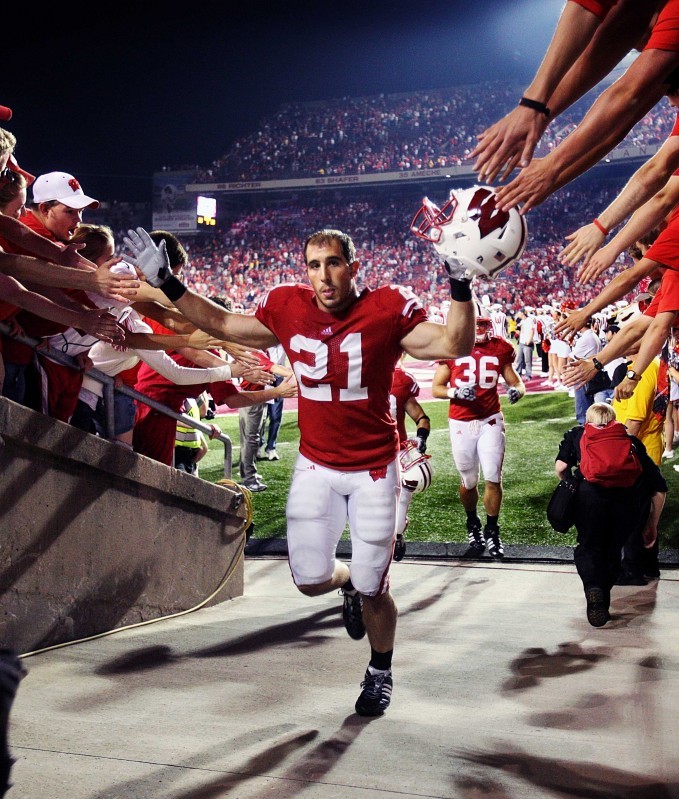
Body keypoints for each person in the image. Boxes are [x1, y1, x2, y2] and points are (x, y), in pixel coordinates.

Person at [124, 225, 476, 717]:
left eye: (333, 263)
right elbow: (224, 323)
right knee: (310, 579)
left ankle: (380, 670)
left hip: (374, 469)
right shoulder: (289, 305)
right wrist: (169, 284)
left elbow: (454, 344)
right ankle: (349, 580)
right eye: (313, 265)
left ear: (353, 267)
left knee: (378, 587)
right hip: (316, 465)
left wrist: (461, 284)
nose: (323, 276)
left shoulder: (389, 306)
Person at [487, 2, 679, 214]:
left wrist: (551, 163)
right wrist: (537, 114)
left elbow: (627, 94)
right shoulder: (644, 22)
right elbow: (617, 128)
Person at [554, 402, 667, 627]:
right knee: (613, 552)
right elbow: (659, 487)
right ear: (615, 420)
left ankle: (593, 589)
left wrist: (569, 485)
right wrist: (651, 524)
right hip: (626, 502)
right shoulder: (631, 442)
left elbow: (560, 468)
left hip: (590, 498)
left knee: (588, 547)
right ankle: (602, 602)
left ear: (588, 420)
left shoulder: (577, 434)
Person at [431, 311, 525, 559]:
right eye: (477, 324)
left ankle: (493, 530)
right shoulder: (452, 346)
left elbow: (515, 381)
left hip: (490, 420)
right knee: (469, 480)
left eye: (484, 324)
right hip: (461, 422)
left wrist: (517, 391)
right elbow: (437, 388)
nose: (481, 329)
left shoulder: (501, 348)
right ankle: (473, 523)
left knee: (494, 476)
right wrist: (456, 393)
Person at [390, 354, 431, 562]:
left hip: (395, 450)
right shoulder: (356, 377)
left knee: (405, 490)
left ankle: (397, 536)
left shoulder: (401, 380)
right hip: (367, 451)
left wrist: (422, 438)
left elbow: (421, 417)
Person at [238, 343, 293, 492]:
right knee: (251, 438)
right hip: (254, 399)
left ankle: (246, 472)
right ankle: (249, 478)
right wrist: (293, 374)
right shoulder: (257, 352)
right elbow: (275, 368)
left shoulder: (253, 350)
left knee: (247, 438)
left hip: (249, 396)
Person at [257, 342, 289, 461]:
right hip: (265, 375)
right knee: (262, 416)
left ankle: (271, 448)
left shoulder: (284, 340)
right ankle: (259, 445)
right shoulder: (265, 340)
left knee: (276, 416)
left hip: (279, 378)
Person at [174, 393, 219, 476]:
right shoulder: (173, 390)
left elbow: (203, 412)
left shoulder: (190, 390)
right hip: (176, 454)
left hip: (191, 455)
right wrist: (204, 427)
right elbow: (171, 416)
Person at [569, 317, 601, 424]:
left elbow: (573, 357)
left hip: (583, 373)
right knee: (589, 405)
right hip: (592, 372)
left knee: (583, 407)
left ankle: (584, 428)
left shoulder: (586, 338)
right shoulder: (593, 335)